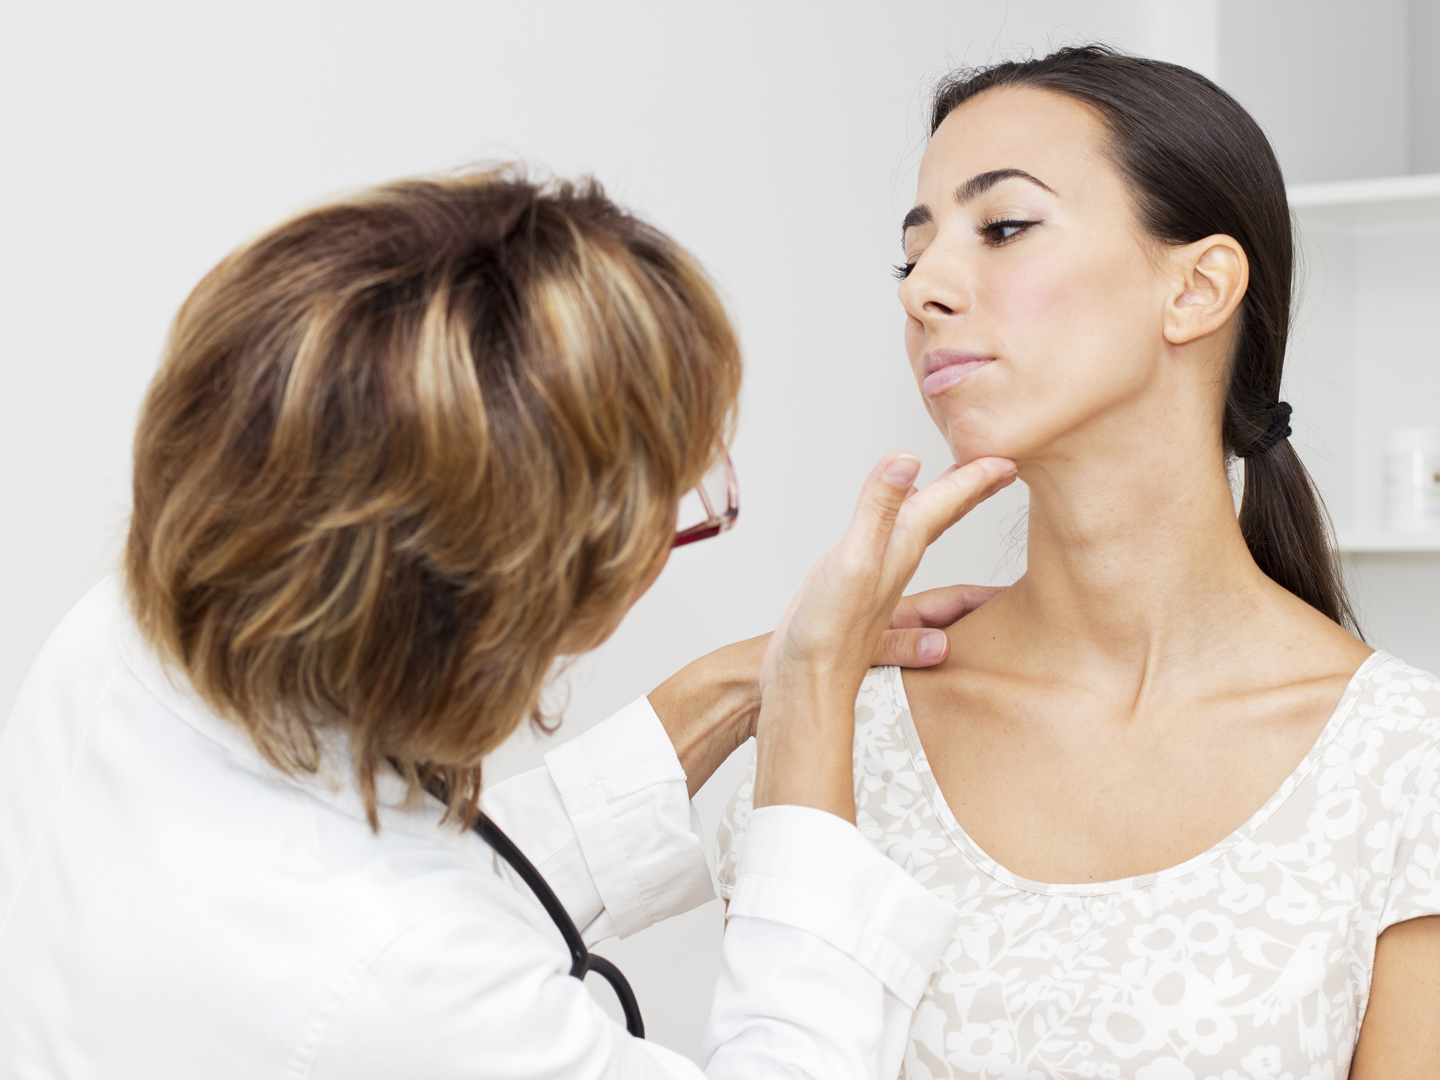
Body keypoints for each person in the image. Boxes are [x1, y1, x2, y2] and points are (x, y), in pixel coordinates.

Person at [0, 169, 1018, 1077]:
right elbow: (399, 951)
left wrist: (752, 680)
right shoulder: (398, 980)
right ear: (507, 601)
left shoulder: (138, 632)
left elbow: (405, 876)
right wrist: (810, 732)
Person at [717, 46, 1440, 1079]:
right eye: (910, 256)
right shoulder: (839, 726)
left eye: (1003, 227)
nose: (925, 288)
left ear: (1198, 287)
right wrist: (793, 686)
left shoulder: (1409, 770)